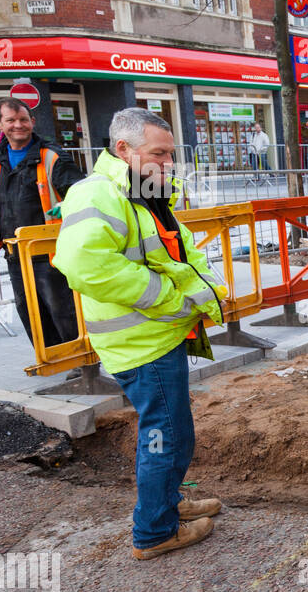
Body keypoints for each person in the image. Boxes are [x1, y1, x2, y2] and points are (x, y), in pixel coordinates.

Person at [53, 108, 226, 560]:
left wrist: (206, 289)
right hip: (142, 341)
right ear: (123, 148)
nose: (168, 163)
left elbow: (178, 246)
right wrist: (169, 299)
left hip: (158, 336)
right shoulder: (98, 193)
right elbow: (83, 264)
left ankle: (165, 505)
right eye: (159, 153)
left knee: (173, 432)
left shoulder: (143, 190)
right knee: (164, 435)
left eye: (171, 154)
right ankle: (154, 531)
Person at [0, 98, 86, 347]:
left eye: (23, 120)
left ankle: (80, 365)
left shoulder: (52, 156)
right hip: (16, 253)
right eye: (11, 120)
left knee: (64, 311)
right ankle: (53, 362)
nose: (19, 125)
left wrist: (67, 205)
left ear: (33, 122)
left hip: (51, 252)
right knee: (31, 312)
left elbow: (81, 192)